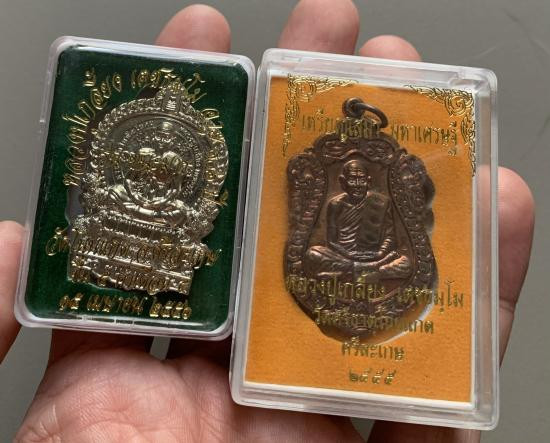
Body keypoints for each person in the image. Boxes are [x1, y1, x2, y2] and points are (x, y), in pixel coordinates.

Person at [0, 1, 534, 441]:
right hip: (328, 262)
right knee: (318, 255)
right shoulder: (332, 204)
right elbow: (320, 246)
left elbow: (396, 243)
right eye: (347, 176)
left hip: (374, 264)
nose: (352, 183)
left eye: (358, 177)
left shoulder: (380, 200)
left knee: (390, 261)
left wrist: (372, 261)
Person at [305, 159, 411, 281]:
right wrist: (348, 254)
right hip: (344, 257)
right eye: (352, 180)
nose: (357, 185)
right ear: (343, 182)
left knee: (406, 263)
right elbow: (331, 241)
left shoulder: (382, 203)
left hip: (374, 256)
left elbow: (390, 236)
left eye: (361, 180)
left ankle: (347, 273)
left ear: (368, 182)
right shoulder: (335, 204)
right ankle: (371, 270)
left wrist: (380, 253)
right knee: (312, 254)